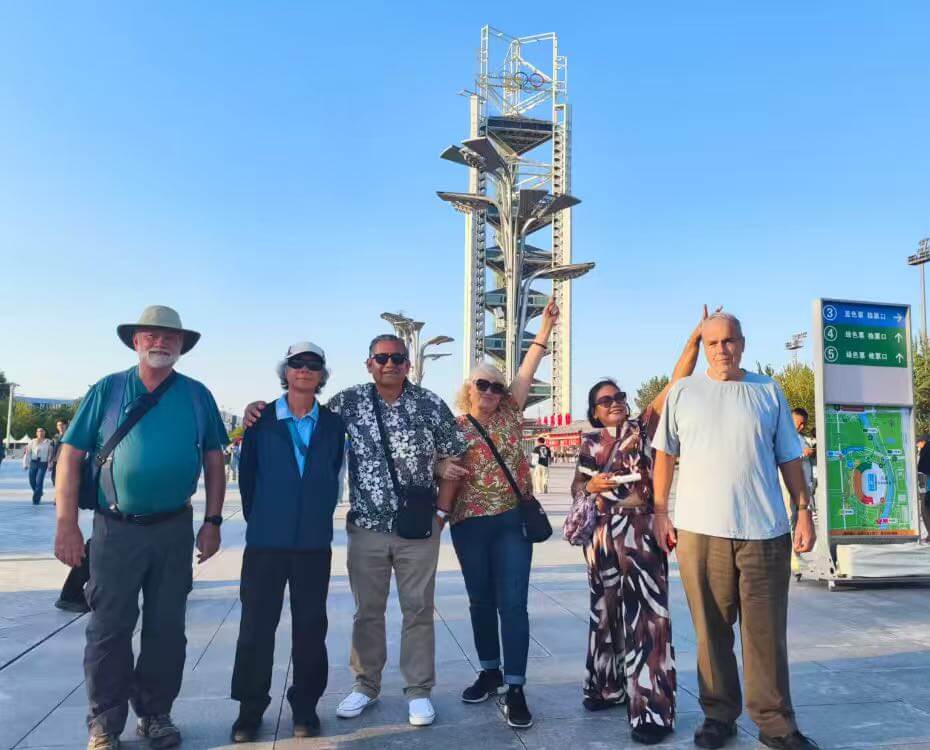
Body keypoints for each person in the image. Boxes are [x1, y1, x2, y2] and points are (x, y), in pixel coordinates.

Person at [243, 333, 466, 728]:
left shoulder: (429, 403)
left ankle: (418, 690)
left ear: (408, 365)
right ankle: (366, 684)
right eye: (381, 358)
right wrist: (254, 410)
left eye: (397, 358)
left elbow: (455, 454)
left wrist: (442, 513)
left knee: (418, 611)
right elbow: (303, 415)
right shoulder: (348, 402)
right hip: (366, 528)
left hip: (418, 529)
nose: (390, 364)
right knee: (368, 612)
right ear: (369, 364)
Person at [53, 305, 229, 750]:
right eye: (151, 335)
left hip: (174, 528)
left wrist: (212, 522)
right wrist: (66, 523)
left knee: (166, 630)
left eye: (170, 337)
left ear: (182, 346)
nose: (160, 342)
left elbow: (214, 459)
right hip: (115, 529)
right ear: (136, 341)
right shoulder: (109, 390)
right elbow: (71, 455)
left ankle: (155, 715)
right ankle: (104, 724)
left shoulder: (196, 396)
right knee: (109, 629)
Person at [651, 312, 817, 750]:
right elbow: (664, 454)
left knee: (766, 634)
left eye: (729, 341)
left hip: (764, 531)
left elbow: (789, 456)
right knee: (711, 633)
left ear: (742, 343)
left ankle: (776, 723)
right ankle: (718, 715)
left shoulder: (767, 390)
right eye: (713, 343)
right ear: (703, 347)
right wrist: (660, 510)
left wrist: (803, 509)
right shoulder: (684, 392)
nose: (722, 349)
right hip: (700, 532)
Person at [567, 310, 706, 746]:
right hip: (602, 534)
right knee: (604, 612)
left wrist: (694, 341)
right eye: (605, 400)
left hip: (641, 530)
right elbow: (577, 489)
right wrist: (591, 485)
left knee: (649, 619)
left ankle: (651, 711)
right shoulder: (589, 442)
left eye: (619, 396)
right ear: (593, 411)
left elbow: (675, 382)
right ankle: (605, 686)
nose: (615, 402)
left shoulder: (644, 426)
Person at [435, 300, 559, 730]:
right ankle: (490, 670)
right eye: (482, 385)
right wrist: (439, 468)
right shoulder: (452, 427)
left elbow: (526, 370)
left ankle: (515, 686)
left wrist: (544, 330)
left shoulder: (510, 413)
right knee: (480, 601)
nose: (490, 391)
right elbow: (435, 466)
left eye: (495, 386)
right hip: (468, 525)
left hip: (511, 523)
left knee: (513, 603)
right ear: (468, 389)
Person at [230, 342, 345, 742]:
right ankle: (250, 709)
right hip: (266, 542)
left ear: (321, 375)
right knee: (256, 627)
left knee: (311, 627)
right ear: (286, 371)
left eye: (313, 365)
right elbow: (248, 478)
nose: (305, 370)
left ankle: (305, 706)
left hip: (313, 542)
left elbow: (332, 472)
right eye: (297, 363)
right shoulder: (260, 421)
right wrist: (265, 518)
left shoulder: (333, 424)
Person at [23, 427, 53, 504]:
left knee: (39, 481)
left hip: (43, 463)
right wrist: (25, 464)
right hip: (33, 463)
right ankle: (39, 492)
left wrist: (50, 464)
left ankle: (36, 500)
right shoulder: (32, 441)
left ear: (45, 432)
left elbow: (50, 454)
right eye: (38, 431)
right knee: (32, 481)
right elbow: (27, 453)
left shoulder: (49, 442)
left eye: (42, 431)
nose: (40, 433)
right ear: (36, 433)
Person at [917, 436, 930, 542]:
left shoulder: (926, 448)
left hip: (927, 486)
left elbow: (922, 469)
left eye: (918, 443)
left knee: (925, 508)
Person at [49, 419, 69, 485]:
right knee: (54, 478)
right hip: (56, 460)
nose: (60, 426)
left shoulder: (70, 436)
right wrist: (50, 460)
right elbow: (51, 448)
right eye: (58, 425)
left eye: (62, 425)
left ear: (66, 425)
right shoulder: (55, 437)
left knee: (65, 478)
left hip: (67, 460)